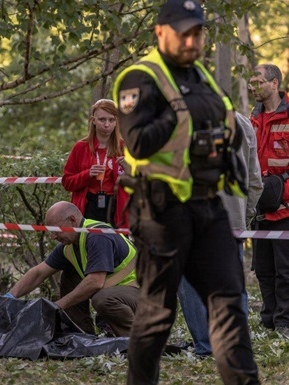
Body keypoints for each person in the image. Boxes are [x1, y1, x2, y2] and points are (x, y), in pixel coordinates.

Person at [112, 0, 260, 383]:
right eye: (183, 32)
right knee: (157, 314)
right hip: (162, 212)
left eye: (198, 32)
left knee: (230, 306)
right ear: (161, 32)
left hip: (209, 207)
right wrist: (179, 116)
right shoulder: (139, 78)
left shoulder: (201, 76)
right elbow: (138, 143)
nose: (192, 40)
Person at [178, 112, 263, 357]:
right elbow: (255, 179)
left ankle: (206, 346)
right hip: (231, 219)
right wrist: (243, 218)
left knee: (190, 284)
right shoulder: (242, 122)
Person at [5, 201, 138, 337]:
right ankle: (83, 334)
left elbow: (95, 282)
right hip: (123, 293)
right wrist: (9, 297)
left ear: (72, 220)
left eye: (56, 230)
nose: (53, 236)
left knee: (102, 299)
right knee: (69, 274)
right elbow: (39, 273)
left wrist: (58, 305)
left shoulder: (97, 235)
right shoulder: (69, 245)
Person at [249, 63, 289, 337]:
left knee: (285, 271)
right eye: (252, 82)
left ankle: (285, 322)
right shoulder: (251, 119)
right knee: (263, 269)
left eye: (259, 81)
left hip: (285, 208)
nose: (254, 86)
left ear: (274, 84)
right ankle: (268, 320)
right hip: (259, 208)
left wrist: (281, 195)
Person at [61, 99, 129, 227]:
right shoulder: (80, 148)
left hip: (116, 208)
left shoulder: (125, 148)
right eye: (102, 120)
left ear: (116, 122)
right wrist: (87, 174)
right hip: (87, 207)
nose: (107, 124)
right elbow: (67, 182)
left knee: (113, 245)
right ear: (93, 121)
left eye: (111, 120)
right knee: (89, 244)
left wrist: (130, 170)